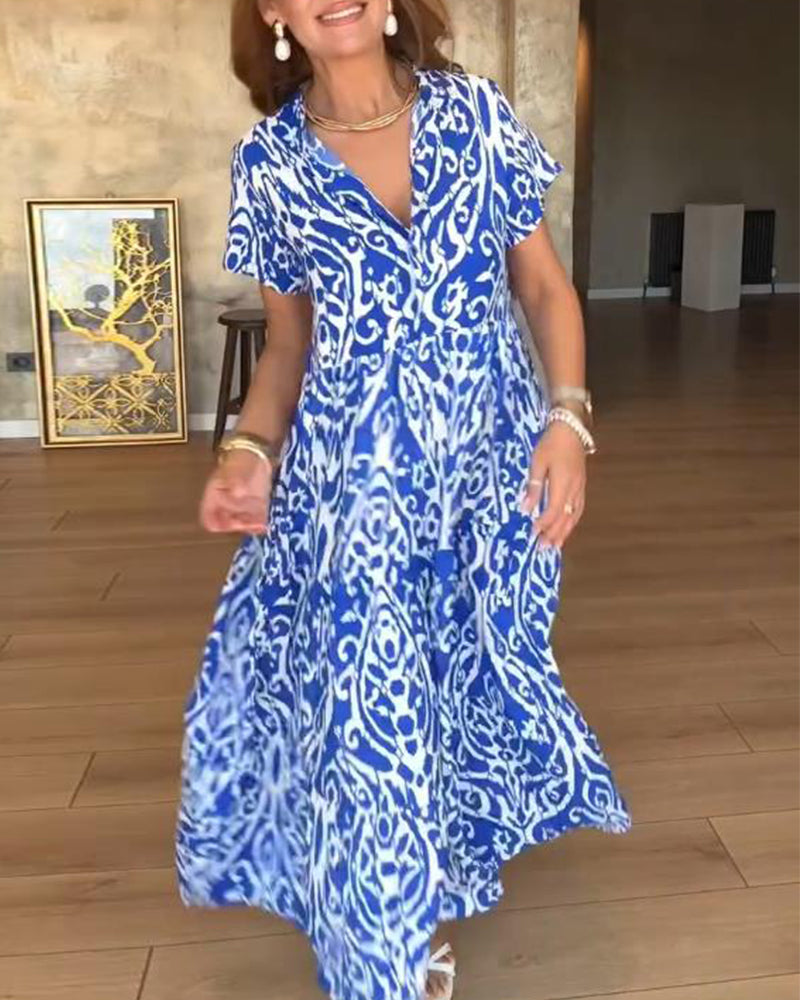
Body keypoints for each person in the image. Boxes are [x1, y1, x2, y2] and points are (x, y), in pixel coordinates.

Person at [174, 1, 633, 998]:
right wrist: (247, 449)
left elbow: (544, 289)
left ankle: (437, 872)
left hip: (486, 471)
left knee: (463, 674)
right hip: (357, 484)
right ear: (274, 12)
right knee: (373, 699)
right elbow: (287, 345)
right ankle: (386, 938)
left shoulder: (476, 115)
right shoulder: (270, 162)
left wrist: (567, 420)